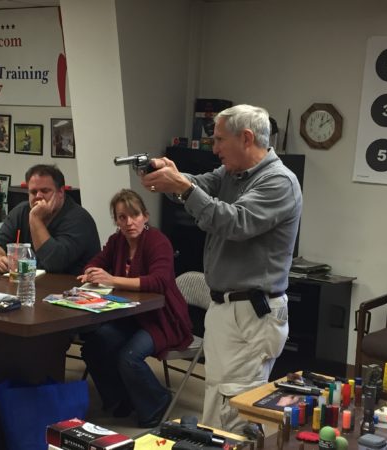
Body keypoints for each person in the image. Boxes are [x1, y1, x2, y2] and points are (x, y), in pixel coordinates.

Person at [141, 104, 303, 432]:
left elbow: (234, 222)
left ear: (246, 138)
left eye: (218, 140)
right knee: (216, 398)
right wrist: (166, 175)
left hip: (254, 314)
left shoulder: (279, 182)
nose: (214, 149)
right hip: (225, 308)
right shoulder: (232, 173)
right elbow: (198, 185)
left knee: (235, 409)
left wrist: (183, 187)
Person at [77, 189, 192, 428]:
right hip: (130, 317)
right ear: (116, 221)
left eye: (134, 215)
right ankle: (123, 398)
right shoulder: (117, 241)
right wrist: (91, 271)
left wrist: (111, 280)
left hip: (162, 319)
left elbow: (159, 281)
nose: (129, 223)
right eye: (122, 217)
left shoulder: (158, 241)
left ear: (145, 216)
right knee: (95, 345)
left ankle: (157, 402)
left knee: (129, 356)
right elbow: (97, 260)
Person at [0, 164, 100, 275]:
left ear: (60, 192)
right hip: (30, 285)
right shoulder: (20, 211)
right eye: (33, 192)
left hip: (71, 288)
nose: (38, 196)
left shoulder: (79, 219)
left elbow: (53, 263)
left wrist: (35, 219)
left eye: (45, 191)